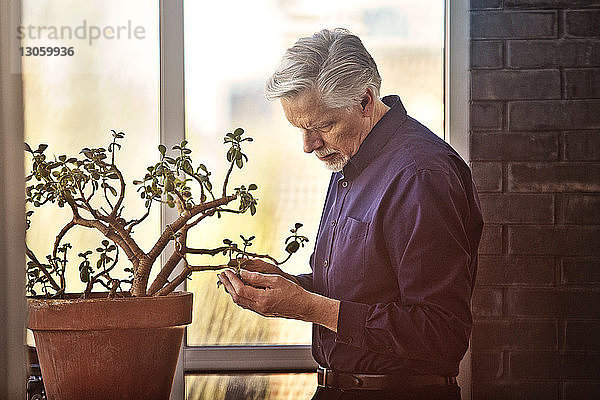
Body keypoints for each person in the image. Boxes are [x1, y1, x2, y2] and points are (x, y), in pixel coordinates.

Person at [218, 28, 483, 400]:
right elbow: (367, 290)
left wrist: (310, 306)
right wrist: (293, 288)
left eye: (322, 126)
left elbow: (440, 333)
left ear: (365, 101)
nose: (309, 146)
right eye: (300, 129)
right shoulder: (348, 161)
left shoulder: (422, 175)